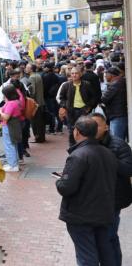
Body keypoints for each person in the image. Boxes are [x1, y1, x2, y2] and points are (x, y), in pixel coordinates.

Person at [56, 117, 117, 266]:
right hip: (103, 212)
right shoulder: (107, 153)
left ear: (77, 132)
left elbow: (66, 187)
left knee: (86, 255)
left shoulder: (78, 156)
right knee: (105, 252)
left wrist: (59, 180)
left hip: (81, 215)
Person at [90, 113, 132, 266]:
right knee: (105, 236)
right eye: (91, 125)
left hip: (114, 199)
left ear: (106, 126)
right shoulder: (88, 143)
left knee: (109, 236)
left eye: (97, 125)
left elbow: (129, 169)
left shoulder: (118, 145)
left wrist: (107, 158)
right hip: (96, 199)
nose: (94, 129)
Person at [58, 67, 98, 145]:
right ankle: (72, 148)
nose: (74, 75)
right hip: (71, 111)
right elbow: (61, 97)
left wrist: (89, 106)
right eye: (72, 73)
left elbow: (93, 97)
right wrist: (64, 105)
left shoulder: (86, 84)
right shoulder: (66, 85)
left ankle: (83, 146)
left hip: (83, 110)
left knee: (84, 129)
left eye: (76, 73)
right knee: (71, 130)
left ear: (80, 74)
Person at [0, 84, 24, 172]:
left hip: (9, 125)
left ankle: (12, 165)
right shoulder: (17, 101)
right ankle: (14, 164)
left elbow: (6, 117)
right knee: (13, 144)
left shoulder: (11, 103)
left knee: (9, 145)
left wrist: (0, 111)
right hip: (15, 125)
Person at [101, 67, 127, 140]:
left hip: (117, 115)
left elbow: (104, 99)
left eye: (106, 74)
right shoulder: (121, 81)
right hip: (120, 114)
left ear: (112, 75)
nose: (105, 76)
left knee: (116, 139)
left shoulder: (115, 84)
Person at [27, 64, 45, 143]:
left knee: (35, 122)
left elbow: (32, 91)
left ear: (31, 69)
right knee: (40, 121)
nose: (26, 69)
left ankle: (38, 137)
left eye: (27, 68)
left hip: (35, 103)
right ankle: (41, 137)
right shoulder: (38, 75)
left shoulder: (32, 77)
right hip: (40, 101)